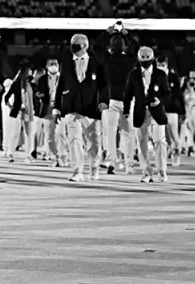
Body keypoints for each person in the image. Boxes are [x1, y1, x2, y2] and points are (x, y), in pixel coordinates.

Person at [62, 32, 110, 183]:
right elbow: (61, 85)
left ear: (85, 46)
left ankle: (94, 165)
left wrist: (104, 100)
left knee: (94, 140)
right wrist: (58, 106)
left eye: (76, 46)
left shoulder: (97, 63)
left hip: (91, 108)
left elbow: (104, 84)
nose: (73, 48)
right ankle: (78, 170)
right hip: (72, 107)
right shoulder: (67, 62)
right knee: (74, 139)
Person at [122, 46, 169, 183]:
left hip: (157, 112)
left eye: (148, 58)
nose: (145, 61)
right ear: (138, 59)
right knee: (142, 141)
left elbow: (168, 94)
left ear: (152, 58)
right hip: (140, 111)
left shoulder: (160, 74)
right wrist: (125, 111)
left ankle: (162, 170)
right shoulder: (134, 74)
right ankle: (146, 172)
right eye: (142, 58)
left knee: (160, 141)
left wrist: (160, 101)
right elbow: (128, 93)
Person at [95, 22, 137, 174]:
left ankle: (112, 161)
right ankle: (129, 164)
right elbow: (137, 49)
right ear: (124, 46)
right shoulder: (129, 60)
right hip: (126, 100)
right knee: (127, 133)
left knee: (110, 132)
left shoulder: (106, 59)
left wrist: (107, 33)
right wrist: (127, 34)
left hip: (110, 99)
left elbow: (96, 48)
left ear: (110, 47)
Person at [3, 60, 35, 162]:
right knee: (15, 133)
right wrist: (11, 107)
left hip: (28, 111)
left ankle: (28, 155)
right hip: (17, 111)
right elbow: (6, 97)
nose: (29, 74)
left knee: (29, 133)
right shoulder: (16, 84)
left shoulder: (31, 84)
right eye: (28, 72)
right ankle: (10, 153)